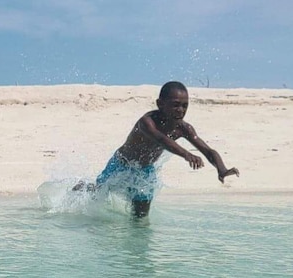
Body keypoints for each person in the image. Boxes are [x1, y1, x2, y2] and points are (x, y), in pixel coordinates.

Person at [73, 81, 239, 218]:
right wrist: (186, 154)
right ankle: (84, 187)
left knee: (140, 218)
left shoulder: (184, 128)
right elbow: (162, 139)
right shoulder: (147, 122)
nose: (180, 110)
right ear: (160, 104)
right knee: (97, 195)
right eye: (175, 105)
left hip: (145, 172)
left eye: (184, 106)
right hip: (121, 164)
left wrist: (221, 169)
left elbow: (208, 151)